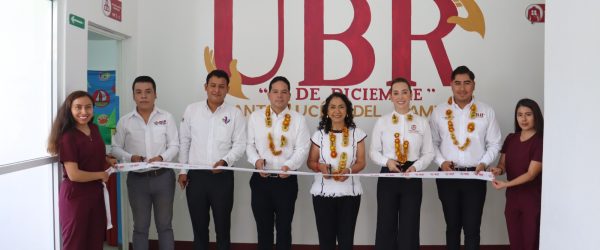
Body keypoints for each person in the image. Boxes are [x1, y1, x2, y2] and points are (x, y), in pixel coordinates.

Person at [429, 66, 502, 250]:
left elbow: (495, 143)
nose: (462, 88)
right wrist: (441, 162)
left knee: (472, 228)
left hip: (475, 177)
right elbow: (433, 143)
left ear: (474, 85)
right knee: (452, 227)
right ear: (451, 85)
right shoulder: (439, 111)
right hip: (447, 177)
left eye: (467, 83)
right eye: (457, 83)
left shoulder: (486, 111)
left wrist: (484, 162)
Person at [178, 69, 246, 250]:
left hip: (222, 178)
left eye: (221, 87)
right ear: (206, 87)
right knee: (199, 228)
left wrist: (225, 161)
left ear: (228, 89)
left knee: (223, 228)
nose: (217, 90)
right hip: (196, 177)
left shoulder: (235, 114)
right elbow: (184, 142)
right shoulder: (191, 110)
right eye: (213, 86)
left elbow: (240, 145)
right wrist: (183, 171)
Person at [111, 76, 179, 250]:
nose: (143, 96)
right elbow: (116, 149)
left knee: (165, 226)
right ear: (133, 96)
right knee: (140, 228)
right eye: (138, 92)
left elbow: (174, 145)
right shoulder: (125, 121)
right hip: (137, 180)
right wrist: (130, 157)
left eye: (148, 92)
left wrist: (162, 158)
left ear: (155, 94)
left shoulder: (167, 117)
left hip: (163, 178)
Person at [246, 76, 310, 250]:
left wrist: (289, 165)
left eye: (284, 92)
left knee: (284, 229)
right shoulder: (256, 117)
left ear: (290, 95)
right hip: (261, 181)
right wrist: (256, 161)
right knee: (263, 229)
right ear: (268, 94)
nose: (279, 96)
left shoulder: (298, 119)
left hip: (286, 182)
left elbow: (302, 149)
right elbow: (249, 145)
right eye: (275, 91)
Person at [370, 78, 434, 250]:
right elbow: (373, 151)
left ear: (411, 95)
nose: (400, 96)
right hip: (388, 174)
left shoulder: (421, 122)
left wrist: (416, 167)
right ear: (390, 97)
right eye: (396, 93)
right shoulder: (382, 121)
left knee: (410, 225)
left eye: (404, 92)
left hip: (412, 176)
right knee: (385, 224)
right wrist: (387, 162)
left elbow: (429, 153)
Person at [47, 90, 116, 250]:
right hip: (75, 197)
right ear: (70, 110)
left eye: (88, 107)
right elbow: (74, 174)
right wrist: (101, 174)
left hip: (95, 194)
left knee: (95, 241)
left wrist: (106, 159)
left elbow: (92, 150)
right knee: (75, 244)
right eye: (78, 107)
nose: (84, 112)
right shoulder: (68, 137)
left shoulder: (94, 129)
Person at [307, 92, 367, 250]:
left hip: (349, 194)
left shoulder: (357, 134)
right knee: (326, 241)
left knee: (346, 241)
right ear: (326, 111)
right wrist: (320, 167)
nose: (337, 111)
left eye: (341, 107)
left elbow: (361, 162)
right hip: (322, 194)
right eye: (332, 107)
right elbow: (311, 162)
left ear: (347, 110)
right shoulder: (319, 135)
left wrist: (349, 170)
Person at [489, 98, 543, 250]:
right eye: (520, 115)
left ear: (536, 116)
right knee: (515, 242)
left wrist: (506, 184)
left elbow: (531, 174)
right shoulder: (511, 138)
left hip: (532, 200)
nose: (523, 119)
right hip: (512, 199)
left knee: (531, 242)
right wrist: (497, 170)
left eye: (528, 114)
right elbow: (502, 165)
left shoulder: (540, 141)